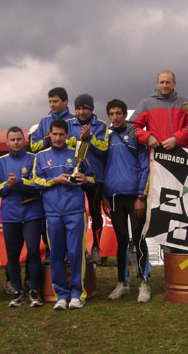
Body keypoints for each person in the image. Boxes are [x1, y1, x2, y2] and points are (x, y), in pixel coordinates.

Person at [33, 119, 95, 310]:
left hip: (75, 211)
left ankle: (77, 294)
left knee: (76, 253)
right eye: (55, 134)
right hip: (52, 213)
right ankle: (61, 295)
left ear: (67, 135)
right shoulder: (41, 157)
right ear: (49, 135)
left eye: (61, 134)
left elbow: (92, 178)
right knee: (56, 254)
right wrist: (54, 180)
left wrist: (85, 179)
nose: (58, 138)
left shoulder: (77, 154)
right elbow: (36, 181)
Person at [102, 99, 151, 303]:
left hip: (135, 197)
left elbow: (145, 166)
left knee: (139, 238)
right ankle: (123, 283)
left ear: (125, 114)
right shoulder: (105, 139)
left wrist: (141, 195)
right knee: (121, 240)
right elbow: (101, 168)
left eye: (118, 113)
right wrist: (104, 195)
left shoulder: (135, 136)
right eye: (111, 114)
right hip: (114, 197)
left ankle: (144, 283)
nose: (115, 117)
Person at [0, 126, 44, 307]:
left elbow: (38, 184)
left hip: (32, 213)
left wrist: (19, 182)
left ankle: (34, 291)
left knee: (34, 251)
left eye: (18, 139)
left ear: (24, 141)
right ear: (7, 142)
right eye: (12, 140)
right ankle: (18, 293)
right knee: (12, 254)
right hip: (10, 215)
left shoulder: (35, 159)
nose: (15, 142)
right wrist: (8, 185)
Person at [30, 87, 74, 265]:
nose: (52, 105)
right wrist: (47, 140)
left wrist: (61, 140)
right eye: (50, 101)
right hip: (49, 173)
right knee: (48, 222)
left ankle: (75, 253)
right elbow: (34, 147)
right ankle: (51, 253)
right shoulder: (44, 121)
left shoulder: (73, 120)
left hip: (71, 172)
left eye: (55, 101)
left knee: (74, 220)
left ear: (65, 102)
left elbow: (76, 143)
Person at [67, 94, 108, 264]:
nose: (81, 112)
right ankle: (79, 249)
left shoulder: (102, 125)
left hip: (94, 177)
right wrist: (79, 140)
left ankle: (97, 248)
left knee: (95, 213)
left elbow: (104, 149)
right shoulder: (69, 124)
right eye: (78, 108)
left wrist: (90, 138)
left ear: (91, 109)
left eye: (85, 108)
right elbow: (64, 144)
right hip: (74, 175)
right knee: (76, 214)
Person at [130, 70, 188, 150]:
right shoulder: (146, 104)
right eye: (162, 82)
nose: (164, 85)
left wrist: (176, 139)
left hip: (181, 154)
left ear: (174, 83)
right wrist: (148, 137)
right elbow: (131, 127)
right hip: (157, 155)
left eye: (168, 82)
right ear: (157, 83)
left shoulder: (185, 103)